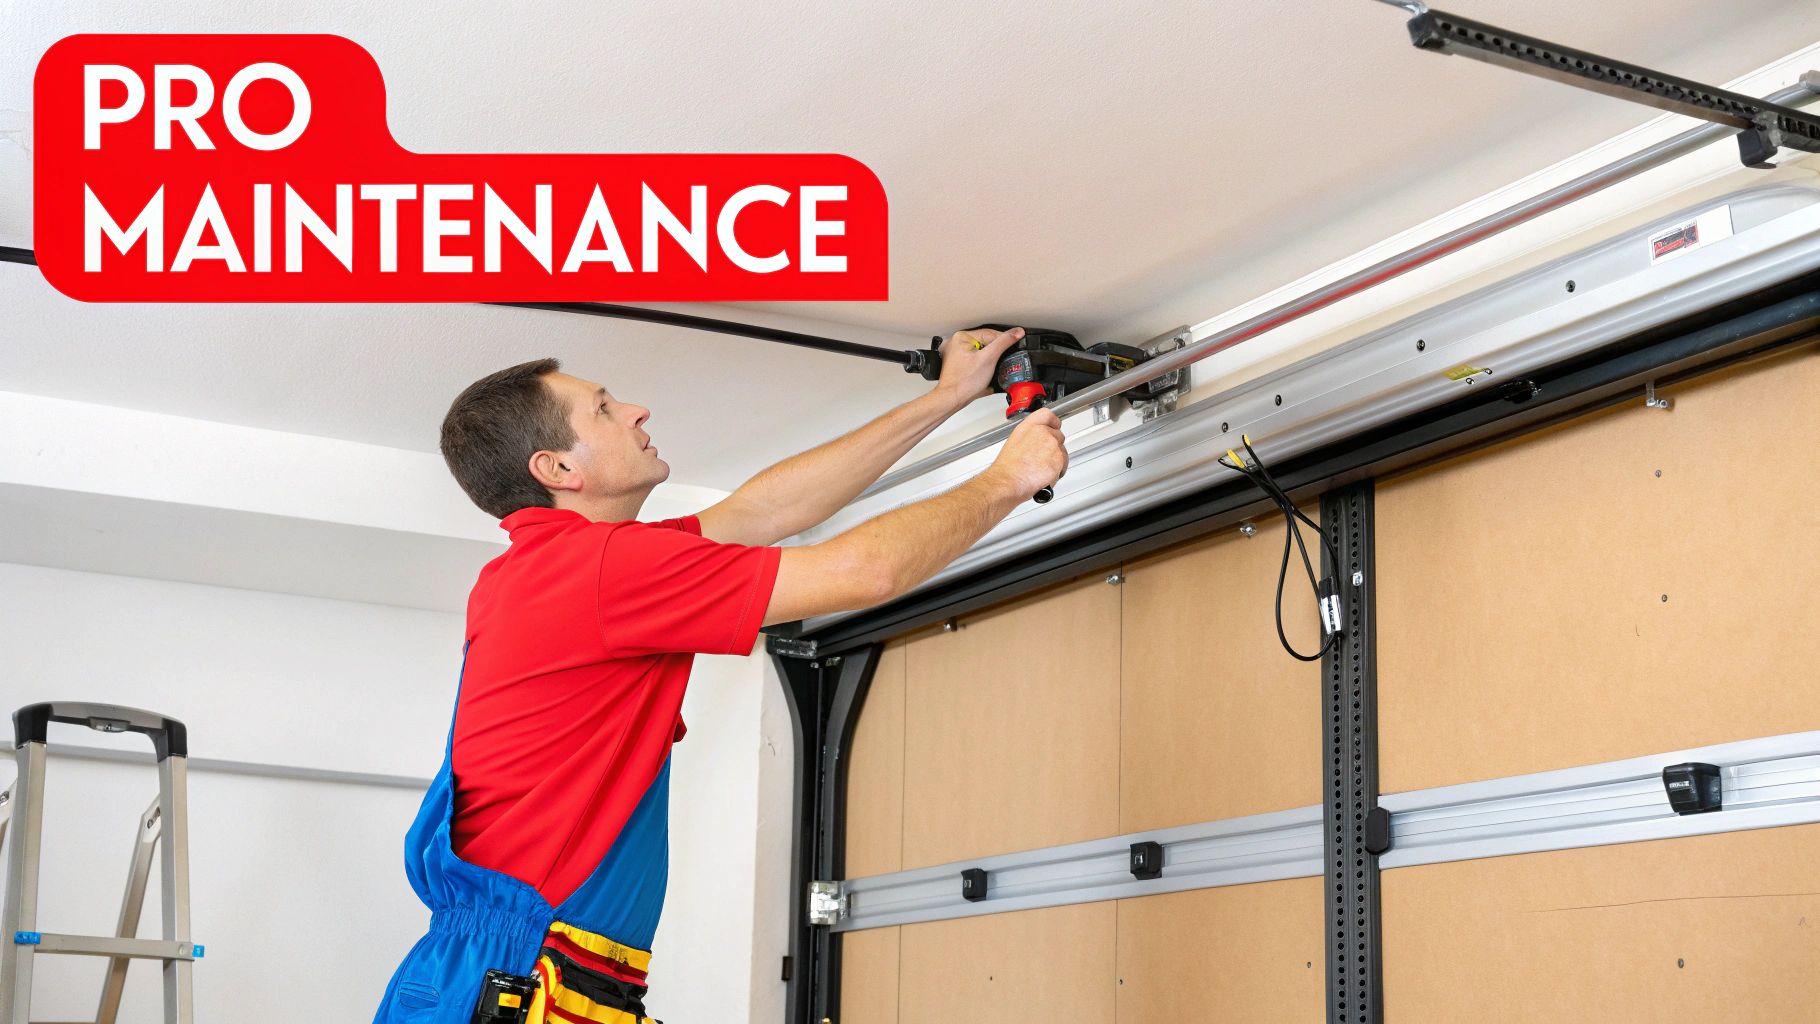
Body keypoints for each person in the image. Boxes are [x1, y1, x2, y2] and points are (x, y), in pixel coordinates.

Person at [373, 326, 1066, 1024]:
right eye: (606, 409)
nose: (638, 410)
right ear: (556, 470)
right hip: (526, 975)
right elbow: (866, 572)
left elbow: (763, 512)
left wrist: (945, 398)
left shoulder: (542, 571)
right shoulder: (598, 570)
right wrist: (1009, 479)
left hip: (504, 973)